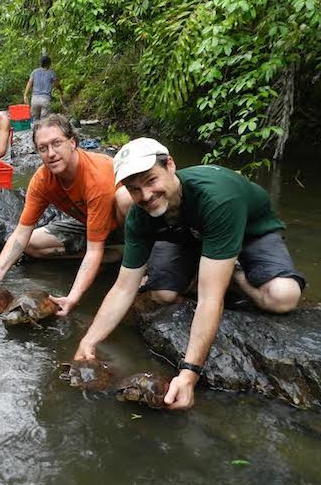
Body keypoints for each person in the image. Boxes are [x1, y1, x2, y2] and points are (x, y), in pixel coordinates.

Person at [73, 138, 305, 410]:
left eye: (151, 181)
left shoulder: (218, 198)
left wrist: (188, 373)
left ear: (171, 165)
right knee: (162, 293)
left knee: (283, 297)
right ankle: (214, 262)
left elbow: (209, 299)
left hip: (249, 230)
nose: (146, 195)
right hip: (189, 235)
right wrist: (89, 341)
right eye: (134, 189)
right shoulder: (140, 214)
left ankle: (228, 269)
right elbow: (124, 287)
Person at [0, 114, 133, 317]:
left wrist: (73, 296)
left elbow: (94, 250)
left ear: (72, 142)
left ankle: (141, 258)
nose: (51, 153)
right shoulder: (42, 180)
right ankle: (115, 255)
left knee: (126, 198)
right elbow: (21, 233)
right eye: (43, 148)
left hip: (126, 223)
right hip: (92, 224)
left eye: (57, 143)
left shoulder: (95, 176)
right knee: (31, 244)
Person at [24, 55, 62, 121]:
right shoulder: (51, 73)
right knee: (44, 122)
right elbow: (57, 85)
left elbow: (29, 83)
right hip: (45, 99)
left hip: (35, 99)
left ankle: (35, 131)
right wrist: (61, 92)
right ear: (49, 63)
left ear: (40, 63)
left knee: (35, 120)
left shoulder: (35, 72)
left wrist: (25, 95)